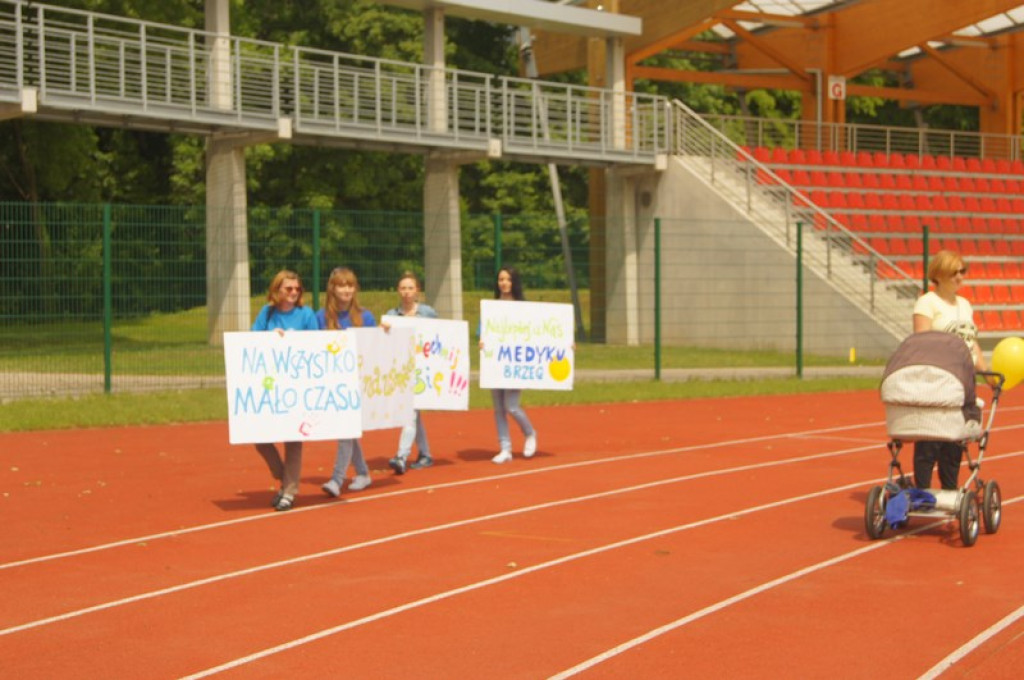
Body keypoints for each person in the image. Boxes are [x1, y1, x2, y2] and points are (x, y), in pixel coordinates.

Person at [911, 249, 992, 490]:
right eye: (955, 272)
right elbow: (921, 341)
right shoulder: (927, 302)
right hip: (937, 379)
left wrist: (987, 373)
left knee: (955, 440)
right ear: (941, 275)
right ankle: (922, 491)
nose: (960, 277)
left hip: (963, 380)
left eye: (962, 271)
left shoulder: (965, 305)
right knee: (931, 439)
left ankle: (950, 490)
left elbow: (972, 344)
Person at [251, 269, 318, 511]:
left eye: (296, 289)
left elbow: (316, 346)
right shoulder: (267, 313)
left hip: (297, 387)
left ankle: (289, 491)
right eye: (288, 288)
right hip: (270, 386)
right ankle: (284, 477)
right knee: (260, 438)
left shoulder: (306, 314)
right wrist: (270, 337)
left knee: (293, 440)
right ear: (276, 290)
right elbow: (251, 341)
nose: (293, 293)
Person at [316, 267, 376, 496]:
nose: (346, 290)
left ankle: (336, 479)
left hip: (357, 384)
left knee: (345, 429)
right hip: (332, 383)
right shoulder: (320, 317)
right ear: (332, 288)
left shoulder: (365, 317)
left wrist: (386, 332)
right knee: (347, 430)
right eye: (342, 285)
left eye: (350, 285)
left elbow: (375, 347)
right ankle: (362, 473)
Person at [382, 271, 439, 475]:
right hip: (402, 372)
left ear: (417, 291)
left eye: (410, 288)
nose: (406, 292)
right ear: (398, 290)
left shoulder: (428, 313)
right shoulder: (391, 315)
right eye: (403, 288)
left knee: (411, 413)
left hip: (422, 372)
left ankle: (401, 455)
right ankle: (425, 454)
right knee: (414, 415)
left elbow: (440, 337)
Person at [482, 266, 537, 464]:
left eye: (507, 279)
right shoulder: (491, 307)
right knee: (499, 408)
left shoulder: (524, 307)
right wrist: (482, 340)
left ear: (514, 282)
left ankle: (529, 433)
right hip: (495, 361)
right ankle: (505, 449)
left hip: (515, 361)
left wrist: (564, 344)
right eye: (500, 279)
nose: (503, 283)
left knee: (511, 406)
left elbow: (540, 333)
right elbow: (484, 330)